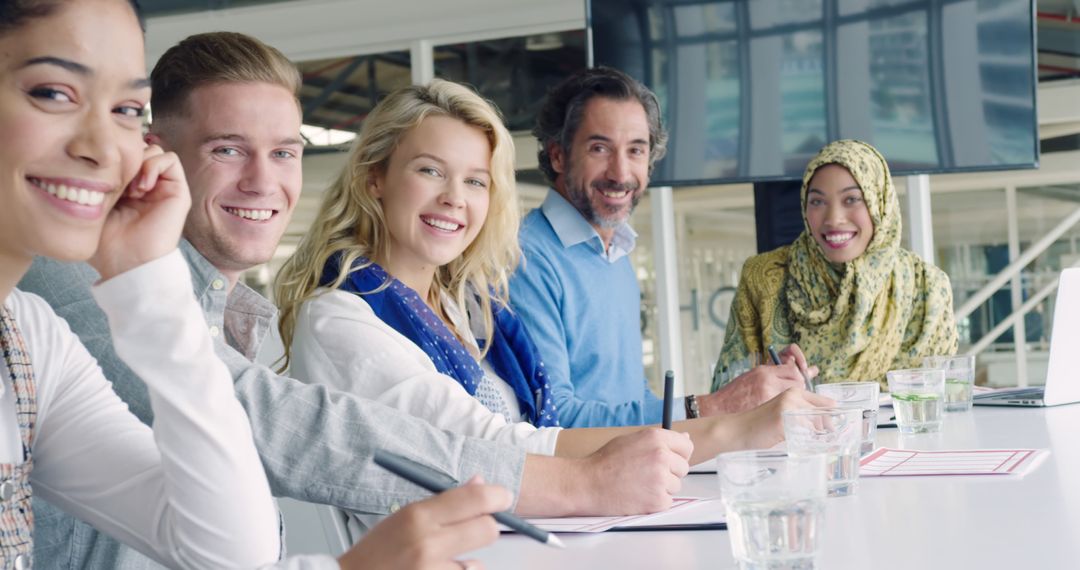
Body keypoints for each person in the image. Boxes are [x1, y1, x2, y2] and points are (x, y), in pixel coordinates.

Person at [21, 30, 703, 570]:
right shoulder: (71, 285)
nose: (264, 181)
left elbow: (239, 539)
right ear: (157, 153)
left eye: (285, 152)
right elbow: (278, 427)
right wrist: (588, 482)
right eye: (229, 149)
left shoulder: (235, 318)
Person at [273, 79, 828, 470]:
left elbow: (537, 430)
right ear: (375, 179)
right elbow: (507, 447)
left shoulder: (460, 308)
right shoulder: (349, 319)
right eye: (429, 171)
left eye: (475, 181)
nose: (453, 198)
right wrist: (722, 422)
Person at [0, 0, 279, 566]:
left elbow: (232, 554)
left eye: (128, 108)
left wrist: (147, 279)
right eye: (53, 93)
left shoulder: (29, 340)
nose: (103, 148)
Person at [508, 67, 813, 428]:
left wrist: (742, 396)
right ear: (558, 156)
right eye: (600, 148)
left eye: (636, 150)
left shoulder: (615, 253)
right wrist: (711, 406)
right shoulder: (526, 258)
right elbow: (557, 419)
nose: (620, 173)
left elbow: (633, 402)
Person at [712, 139, 959, 390]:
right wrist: (766, 379)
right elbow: (726, 393)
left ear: (879, 202)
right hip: (787, 430)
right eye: (817, 201)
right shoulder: (764, 277)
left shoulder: (926, 286)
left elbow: (945, 396)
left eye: (851, 199)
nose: (833, 219)